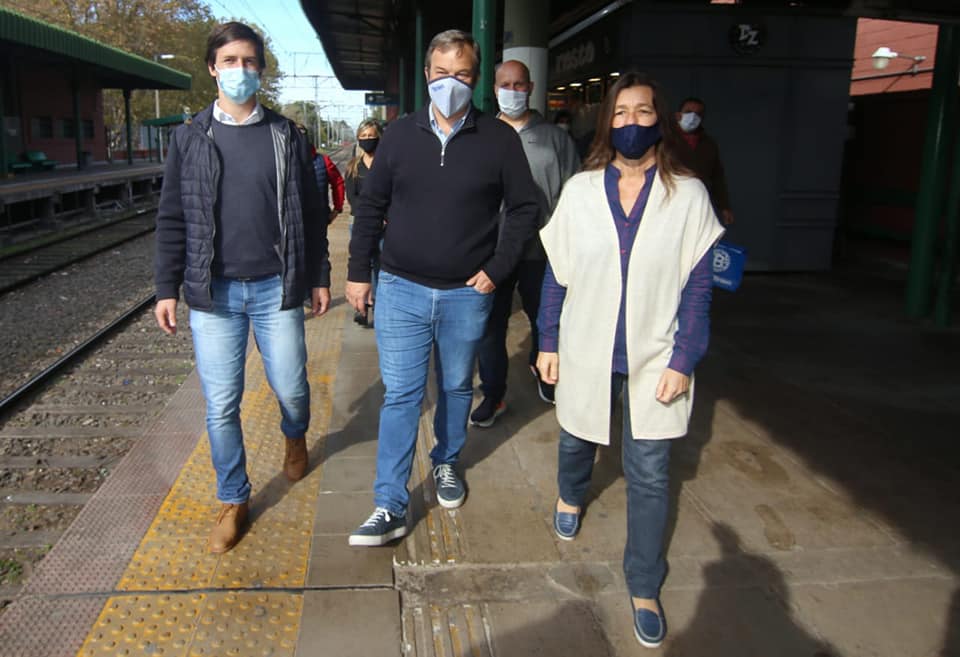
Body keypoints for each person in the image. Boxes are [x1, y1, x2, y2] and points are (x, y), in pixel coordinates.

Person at [536, 72, 724, 648]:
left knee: (648, 471)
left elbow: (698, 289)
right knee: (576, 437)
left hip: (656, 356)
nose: (632, 123)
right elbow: (556, 274)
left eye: (644, 112)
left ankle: (643, 582)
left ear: (659, 121)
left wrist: (684, 359)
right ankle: (571, 493)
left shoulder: (688, 195)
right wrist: (548, 341)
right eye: (621, 113)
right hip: (586, 344)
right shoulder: (581, 190)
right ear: (606, 122)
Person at [345, 29, 539, 546]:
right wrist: (358, 272)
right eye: (441, 72)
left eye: (462, 75)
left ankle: (447, 461)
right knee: (403, 395)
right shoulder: (400, 136)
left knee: (455, 387)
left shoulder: (499, 140)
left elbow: (525, 208)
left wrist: (498, 267)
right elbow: (371, 208)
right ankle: (389, 502)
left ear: (475, 81)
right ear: (426, 74)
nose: (449, 83)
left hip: (465, 294)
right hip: (401, 290)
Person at [153, 21, 331, 555]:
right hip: (215, 295)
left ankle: (293, 433)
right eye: (229, 61)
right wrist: (166, 287)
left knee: (292, 388)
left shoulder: (287, 136)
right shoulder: (188, 139)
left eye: (249, 61)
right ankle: (234, 498)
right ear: (212, 68)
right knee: (220, 405)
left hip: (277, 288)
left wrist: (318, 276)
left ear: (261, 70)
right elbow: (171, 218)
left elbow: (312, 214)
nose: (239, 70)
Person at [470, 60, 579, 427]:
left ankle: (542, 366)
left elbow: (574, 194)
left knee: (544, 318)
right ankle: (494, 394)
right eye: (505, 84)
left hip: (542, 253)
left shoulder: (556, 140)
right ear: (493, 88)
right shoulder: (480, 135)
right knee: (490, 327)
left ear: (530, 88)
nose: (512, 91)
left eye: (519, 84)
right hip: (493, 254)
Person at [344, 119, 383, 327]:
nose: (368, 140)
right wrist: (368, 217)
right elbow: (352, 196)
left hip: (385, 225)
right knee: (362, 263)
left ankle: (378, 304)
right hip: (359, 223)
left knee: (380, 265)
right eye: (364, 137)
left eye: (371, 136)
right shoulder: (353, 167)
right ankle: (360, 308)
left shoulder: (385, 163)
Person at [676, 96, 734, 225]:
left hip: (698, 205)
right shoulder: (664, 141)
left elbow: (717, 177)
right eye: (688, 112)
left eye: (698, 114)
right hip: (670, 203)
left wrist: (724, 207)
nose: (693, 117)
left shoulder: (709, 144)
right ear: (678, 115)